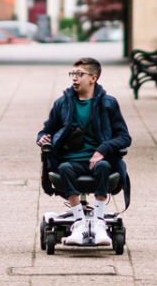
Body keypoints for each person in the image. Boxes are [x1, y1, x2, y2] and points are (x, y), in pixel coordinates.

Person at [36, 58, 131, 245]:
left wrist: (104, 149)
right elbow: (48, 128)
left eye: (80, 74)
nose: (74, 78)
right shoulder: (62, 103)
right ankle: (79, 223)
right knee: (64, 168)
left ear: (93, 78)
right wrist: (43, 136)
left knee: (104, 166)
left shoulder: (108, 103)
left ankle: (99, 222)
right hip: (71, 161)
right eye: (72, 74)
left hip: (99, 161)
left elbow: (124, 137)